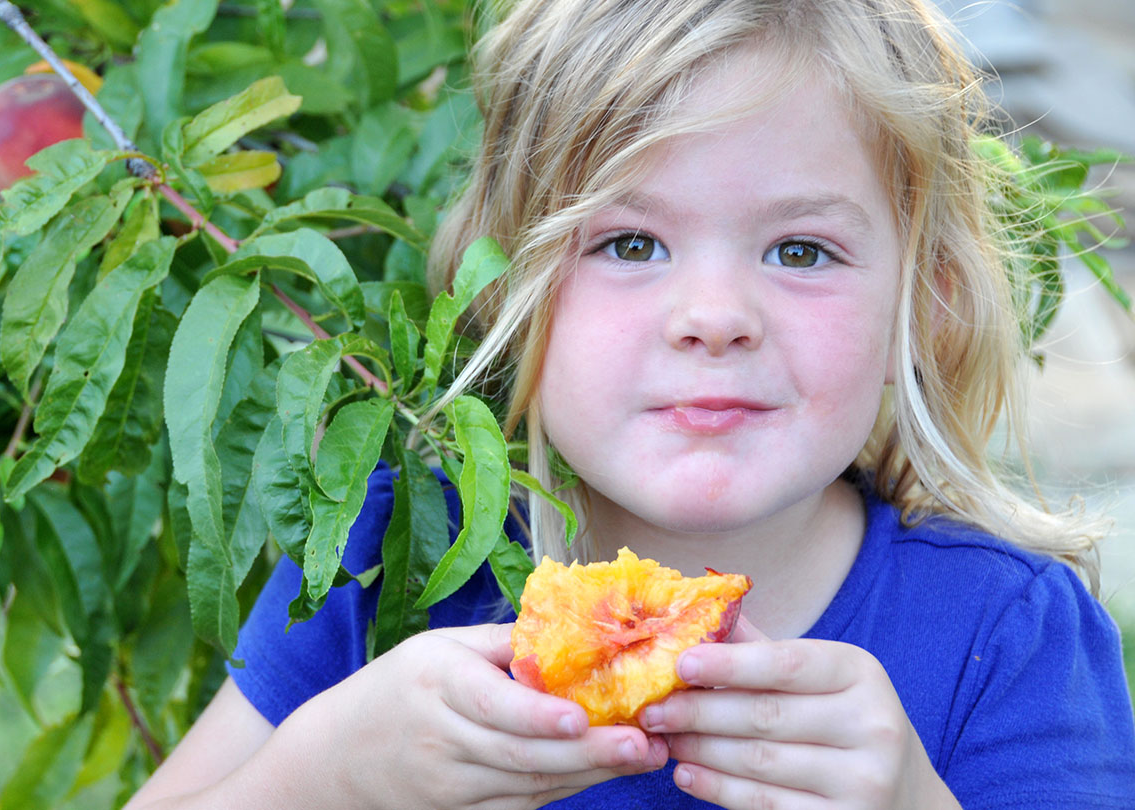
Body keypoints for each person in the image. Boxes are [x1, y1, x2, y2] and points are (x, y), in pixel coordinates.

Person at [126, 0, 1135, 807]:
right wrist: (325, 779)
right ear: (505, 292)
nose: (712, 317)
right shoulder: (393, 561)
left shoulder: (1007, 636)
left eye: (800, 250)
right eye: (630, 244)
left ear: (924, 309)